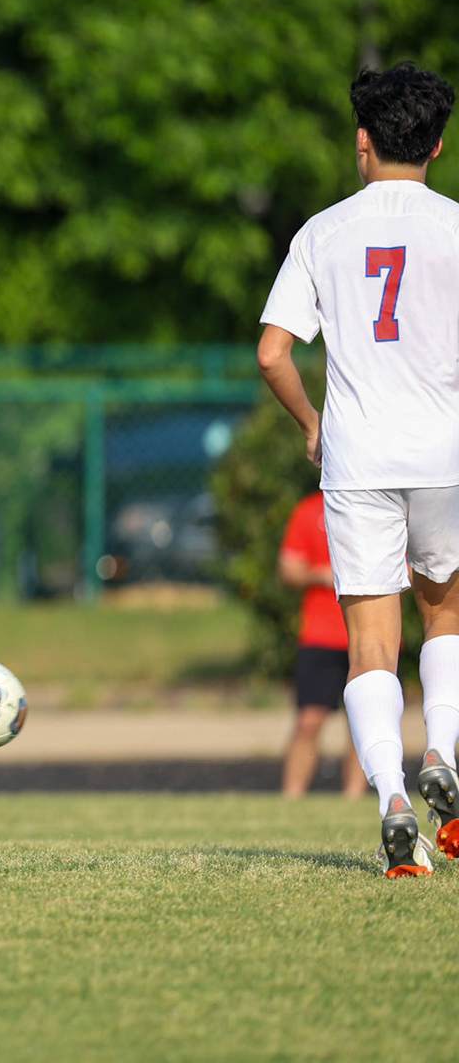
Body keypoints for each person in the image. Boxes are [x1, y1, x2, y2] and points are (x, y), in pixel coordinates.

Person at [257, 60, 459, 876]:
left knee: (371, 645)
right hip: (446, 453)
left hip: (359, 457)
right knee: (446, 617)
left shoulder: (323, 233)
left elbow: (273, 354)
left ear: (362, 143)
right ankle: (443, 753)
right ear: (438, 145)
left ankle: (393, 804)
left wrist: (312, 423)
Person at [276, 489, 367, 799]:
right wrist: (320, 574)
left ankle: (353, 799)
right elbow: (288, 568)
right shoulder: (310, 510)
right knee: (309, 721)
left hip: (370, 635)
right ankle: (292, 798)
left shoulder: (378, 506)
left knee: (364, 724)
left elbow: (409, 568)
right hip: (321, 635)